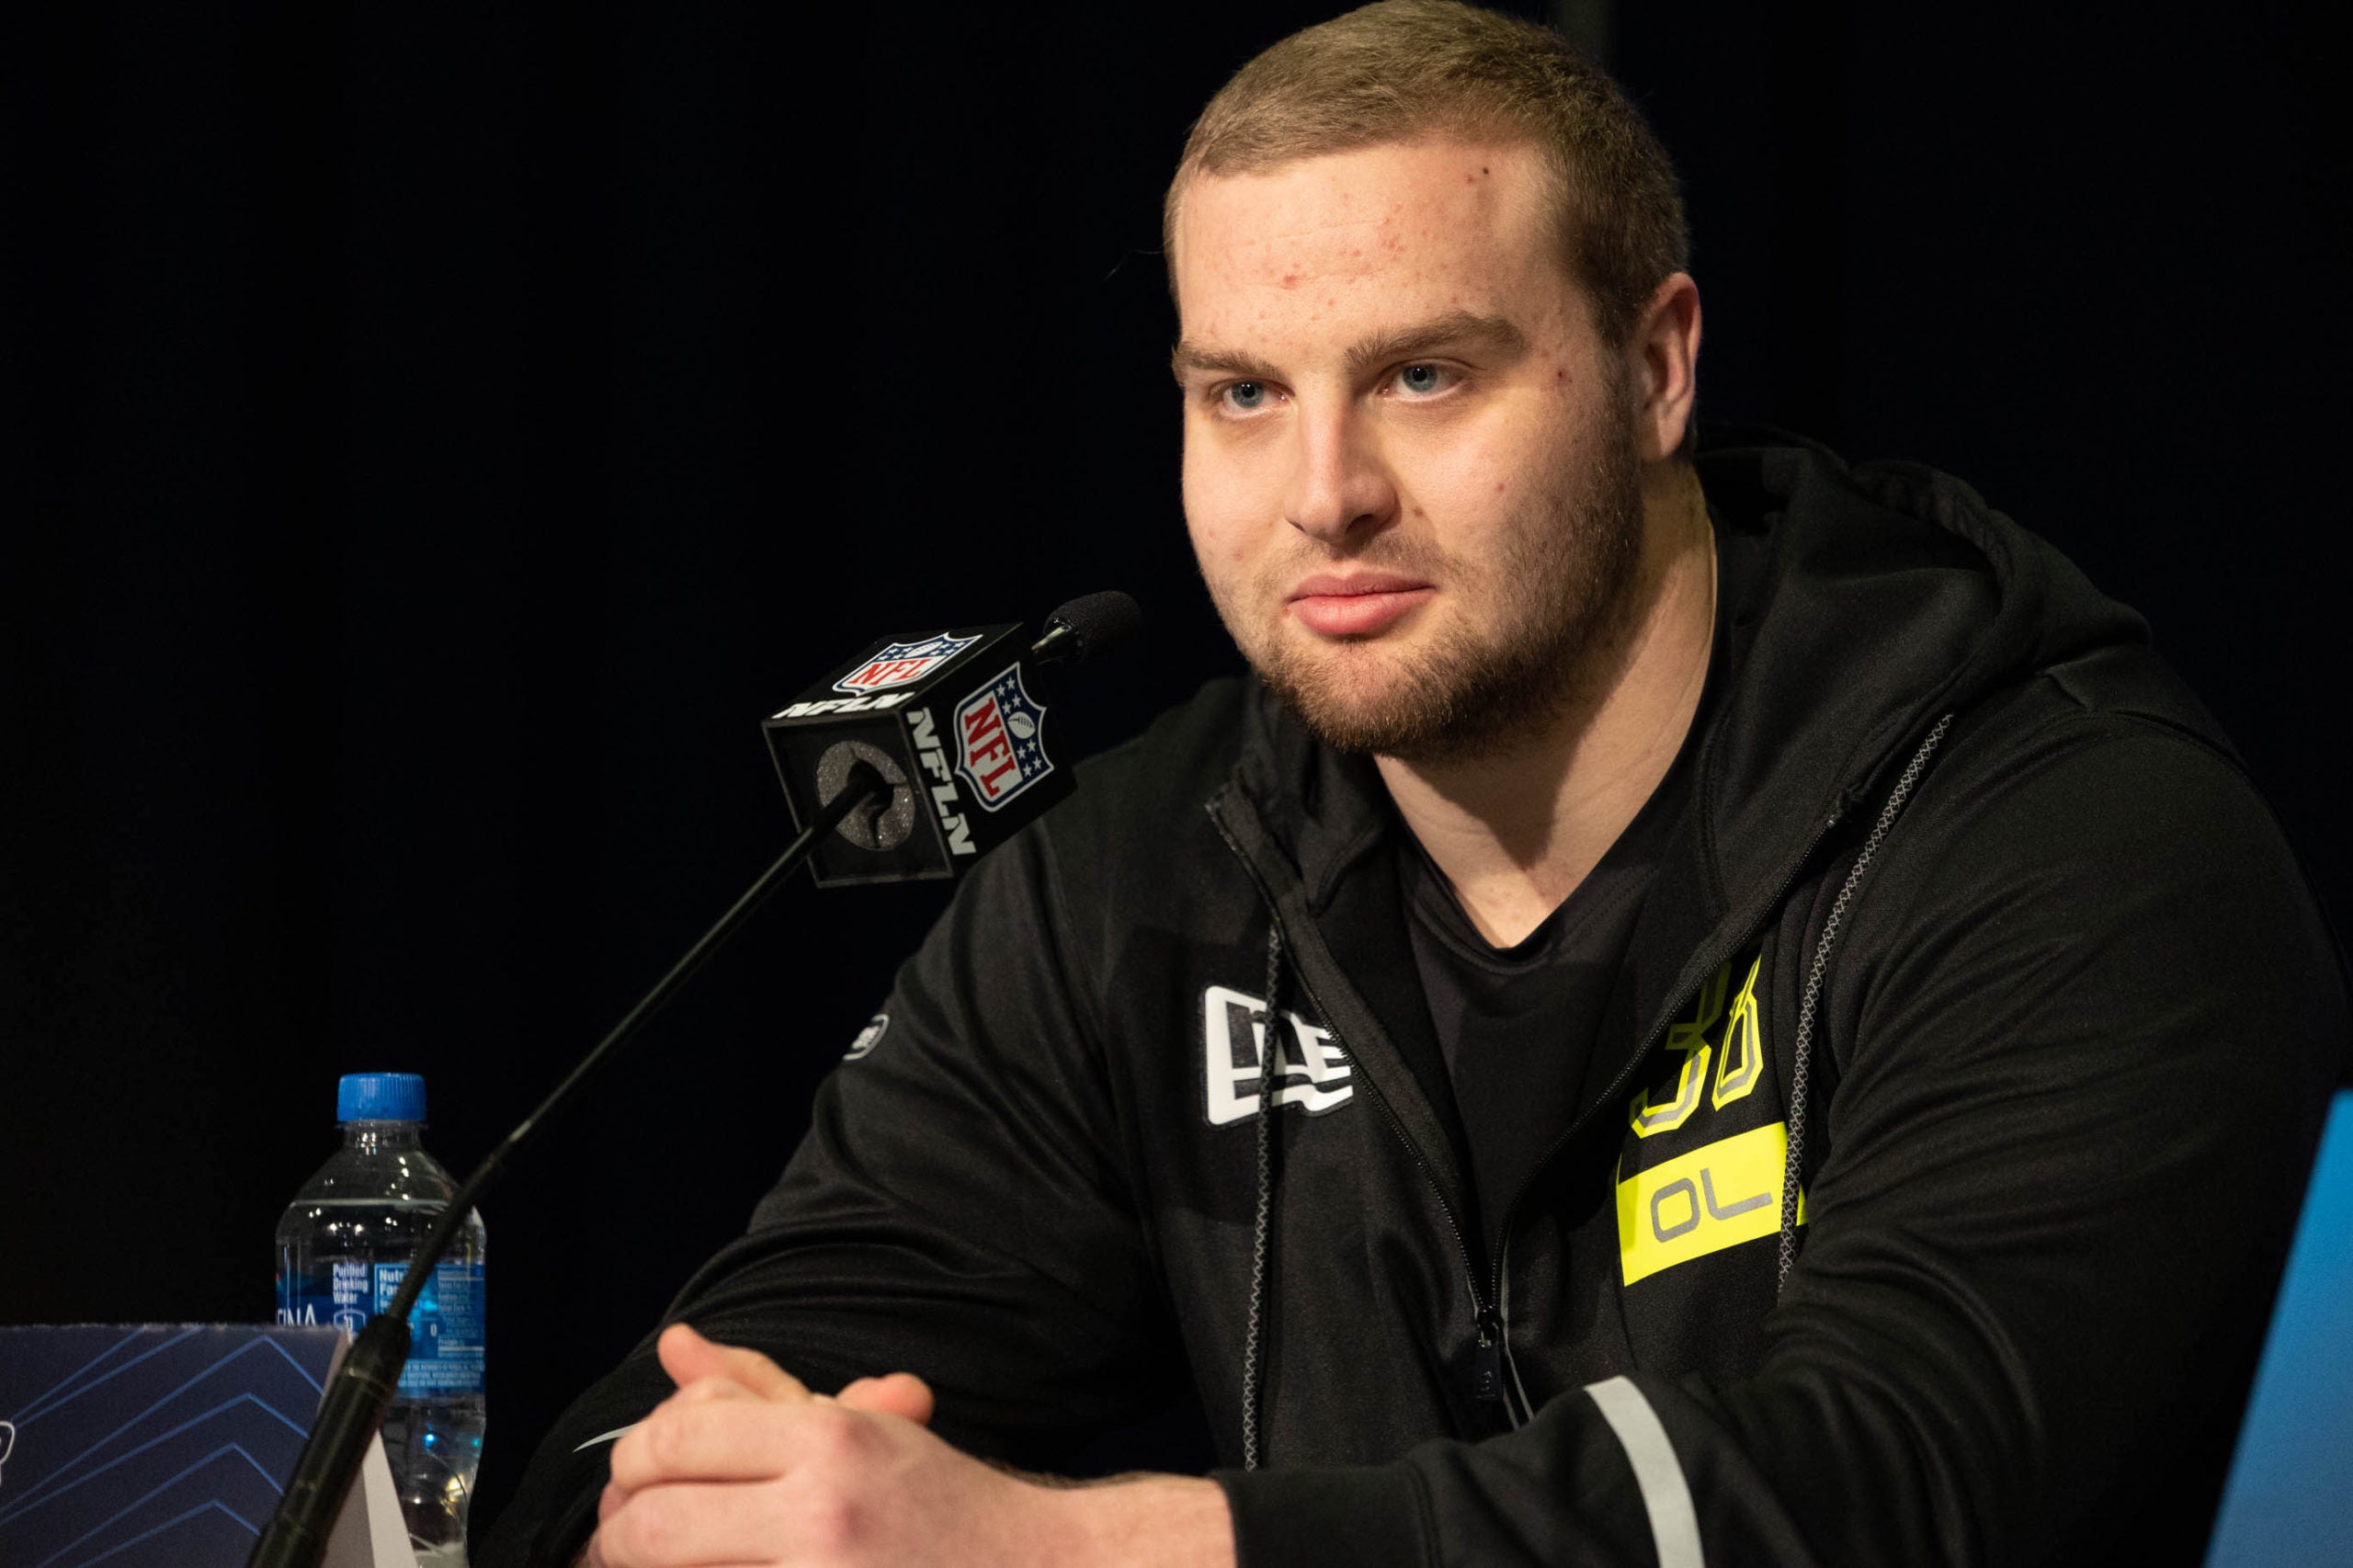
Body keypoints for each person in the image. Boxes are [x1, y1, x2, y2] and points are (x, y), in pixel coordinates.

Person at [483, 4, 2348, 1564]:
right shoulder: (1142, 877)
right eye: (1240, 393)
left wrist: (1093, 1550)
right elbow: (745, 1374)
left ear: (1654, 364)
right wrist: (688, 1501)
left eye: (1425, 376)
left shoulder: (2061, 837)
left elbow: (1885, 1483)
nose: (1323, 492)